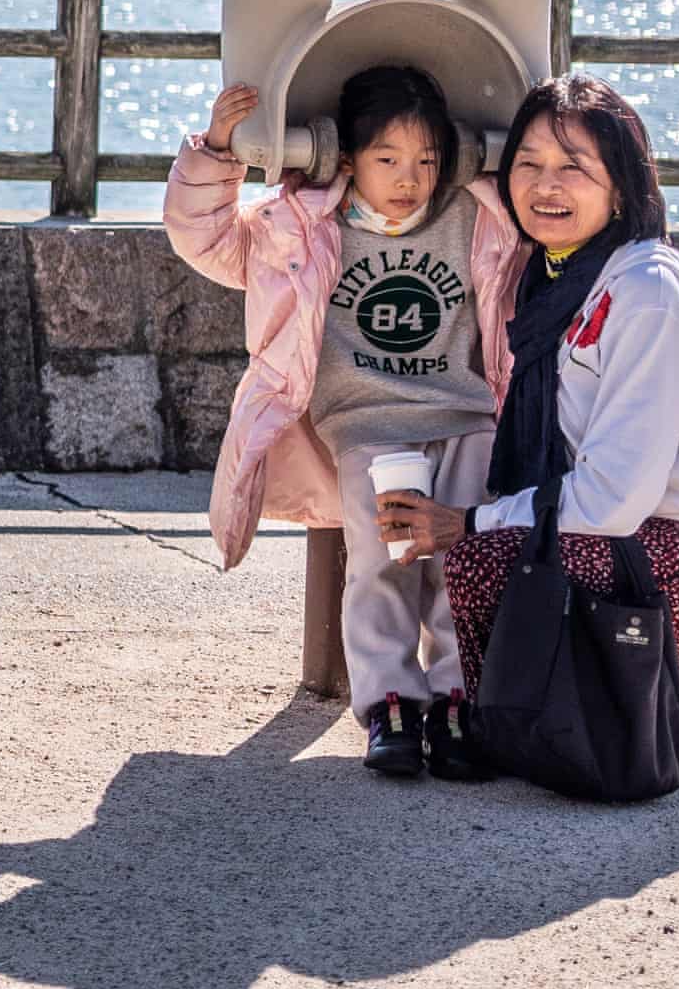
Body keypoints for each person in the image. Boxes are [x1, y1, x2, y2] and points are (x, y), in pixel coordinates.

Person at [383, 78, 679, 757]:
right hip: (636, 540)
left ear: (622, 187)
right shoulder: (553, 279)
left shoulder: (646, 291)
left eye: (575, 167)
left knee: (488, 564)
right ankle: (585, 696)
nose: (547, 185)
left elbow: (612, 502)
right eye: (530, 163)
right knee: (508, 570)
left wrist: (470, 521)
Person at [167, 67, 525, 778]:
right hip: (365, 426)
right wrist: (216, 149)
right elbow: (203, 238)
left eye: (426, 160)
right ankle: (391, 701)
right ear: (343, 156)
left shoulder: (481, 217)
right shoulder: (299, 227)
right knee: (381, 562)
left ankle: (460, 698)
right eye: (387, 159)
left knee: (469, 560)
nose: (410, 178)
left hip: (469, 416)